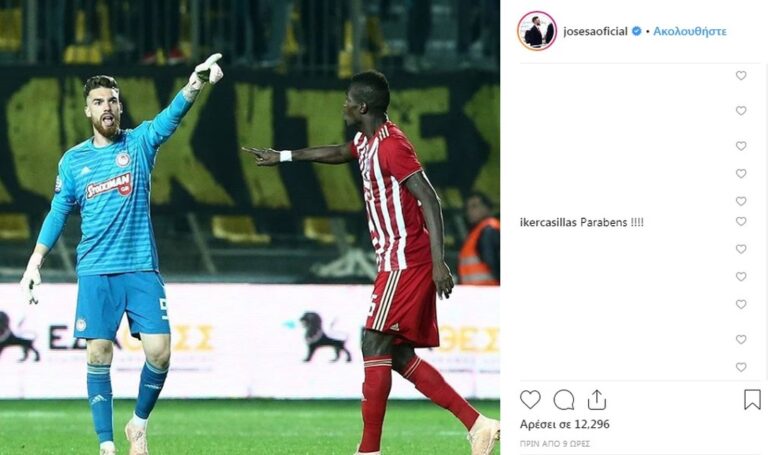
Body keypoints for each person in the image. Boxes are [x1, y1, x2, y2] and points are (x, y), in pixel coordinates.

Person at [242, 70, 500, 455]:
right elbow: (338, 152)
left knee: (372, 339)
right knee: (396, 353)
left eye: (348, 100)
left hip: (406, 258)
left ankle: (369, 450)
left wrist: (439, 262)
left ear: (362, 107)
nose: (343, 105)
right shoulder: (366, 140)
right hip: (393, 259)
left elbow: (430, 199)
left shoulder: (393, 146)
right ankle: (478, 424)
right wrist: (284, 156)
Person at [19, 54, 224, 455]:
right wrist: (34, 262)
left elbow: (170, 118)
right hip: (96, 270)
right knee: (98, 352)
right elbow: (58, 212)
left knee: (160, 353)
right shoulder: (73, 161)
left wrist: (195, 84)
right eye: (98, 102)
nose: (106, 107)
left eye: (112, 100)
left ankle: (138, 425)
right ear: (87, 110)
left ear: (120, 106)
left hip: (141, 267)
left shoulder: (139, 142)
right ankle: (107, 445)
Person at [458, 192, 500, 285]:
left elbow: (494, 264)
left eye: (474, 206)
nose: (470, 211)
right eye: (468, 208)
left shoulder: (489, 231)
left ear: (487, 208)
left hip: (489, 290)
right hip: (478, 291)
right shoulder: (476, 232)